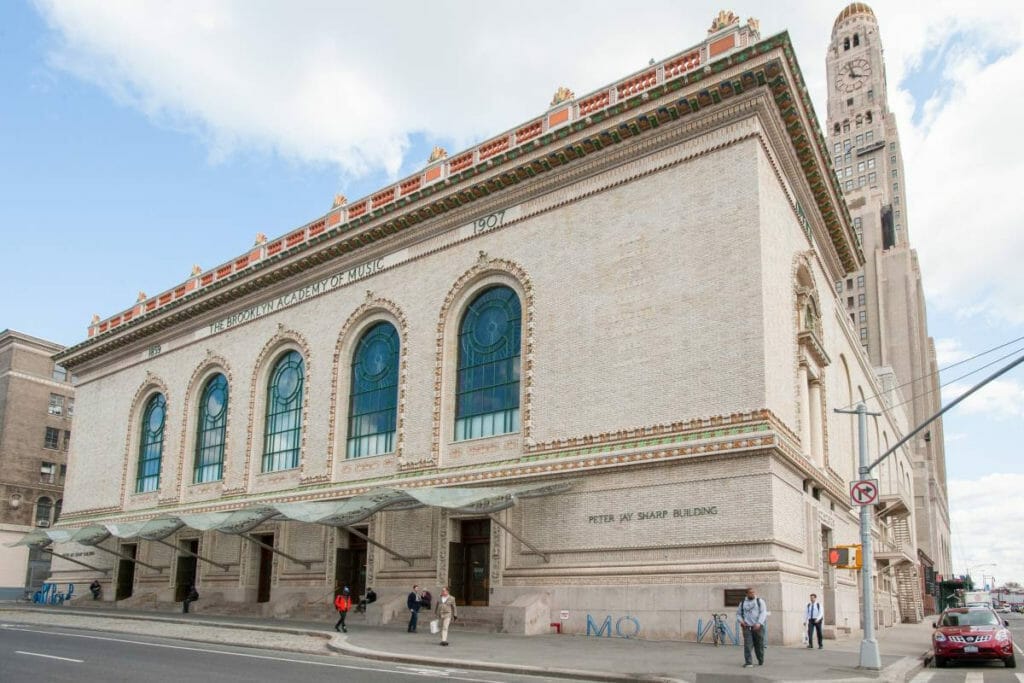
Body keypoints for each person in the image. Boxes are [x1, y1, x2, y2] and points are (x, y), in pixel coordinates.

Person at [736, 586, 767, 668]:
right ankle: (748, 662)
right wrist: (741, 621)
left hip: (758, 627)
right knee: (747, 645)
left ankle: (760, 659)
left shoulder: (760, 601)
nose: (753, 594)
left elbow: (763, 613)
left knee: (759, 645)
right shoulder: (742, 603)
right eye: (750, 593)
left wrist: (759, 623)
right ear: (746, 594)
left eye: (754, 592)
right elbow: (738, 614)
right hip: (747, 627)